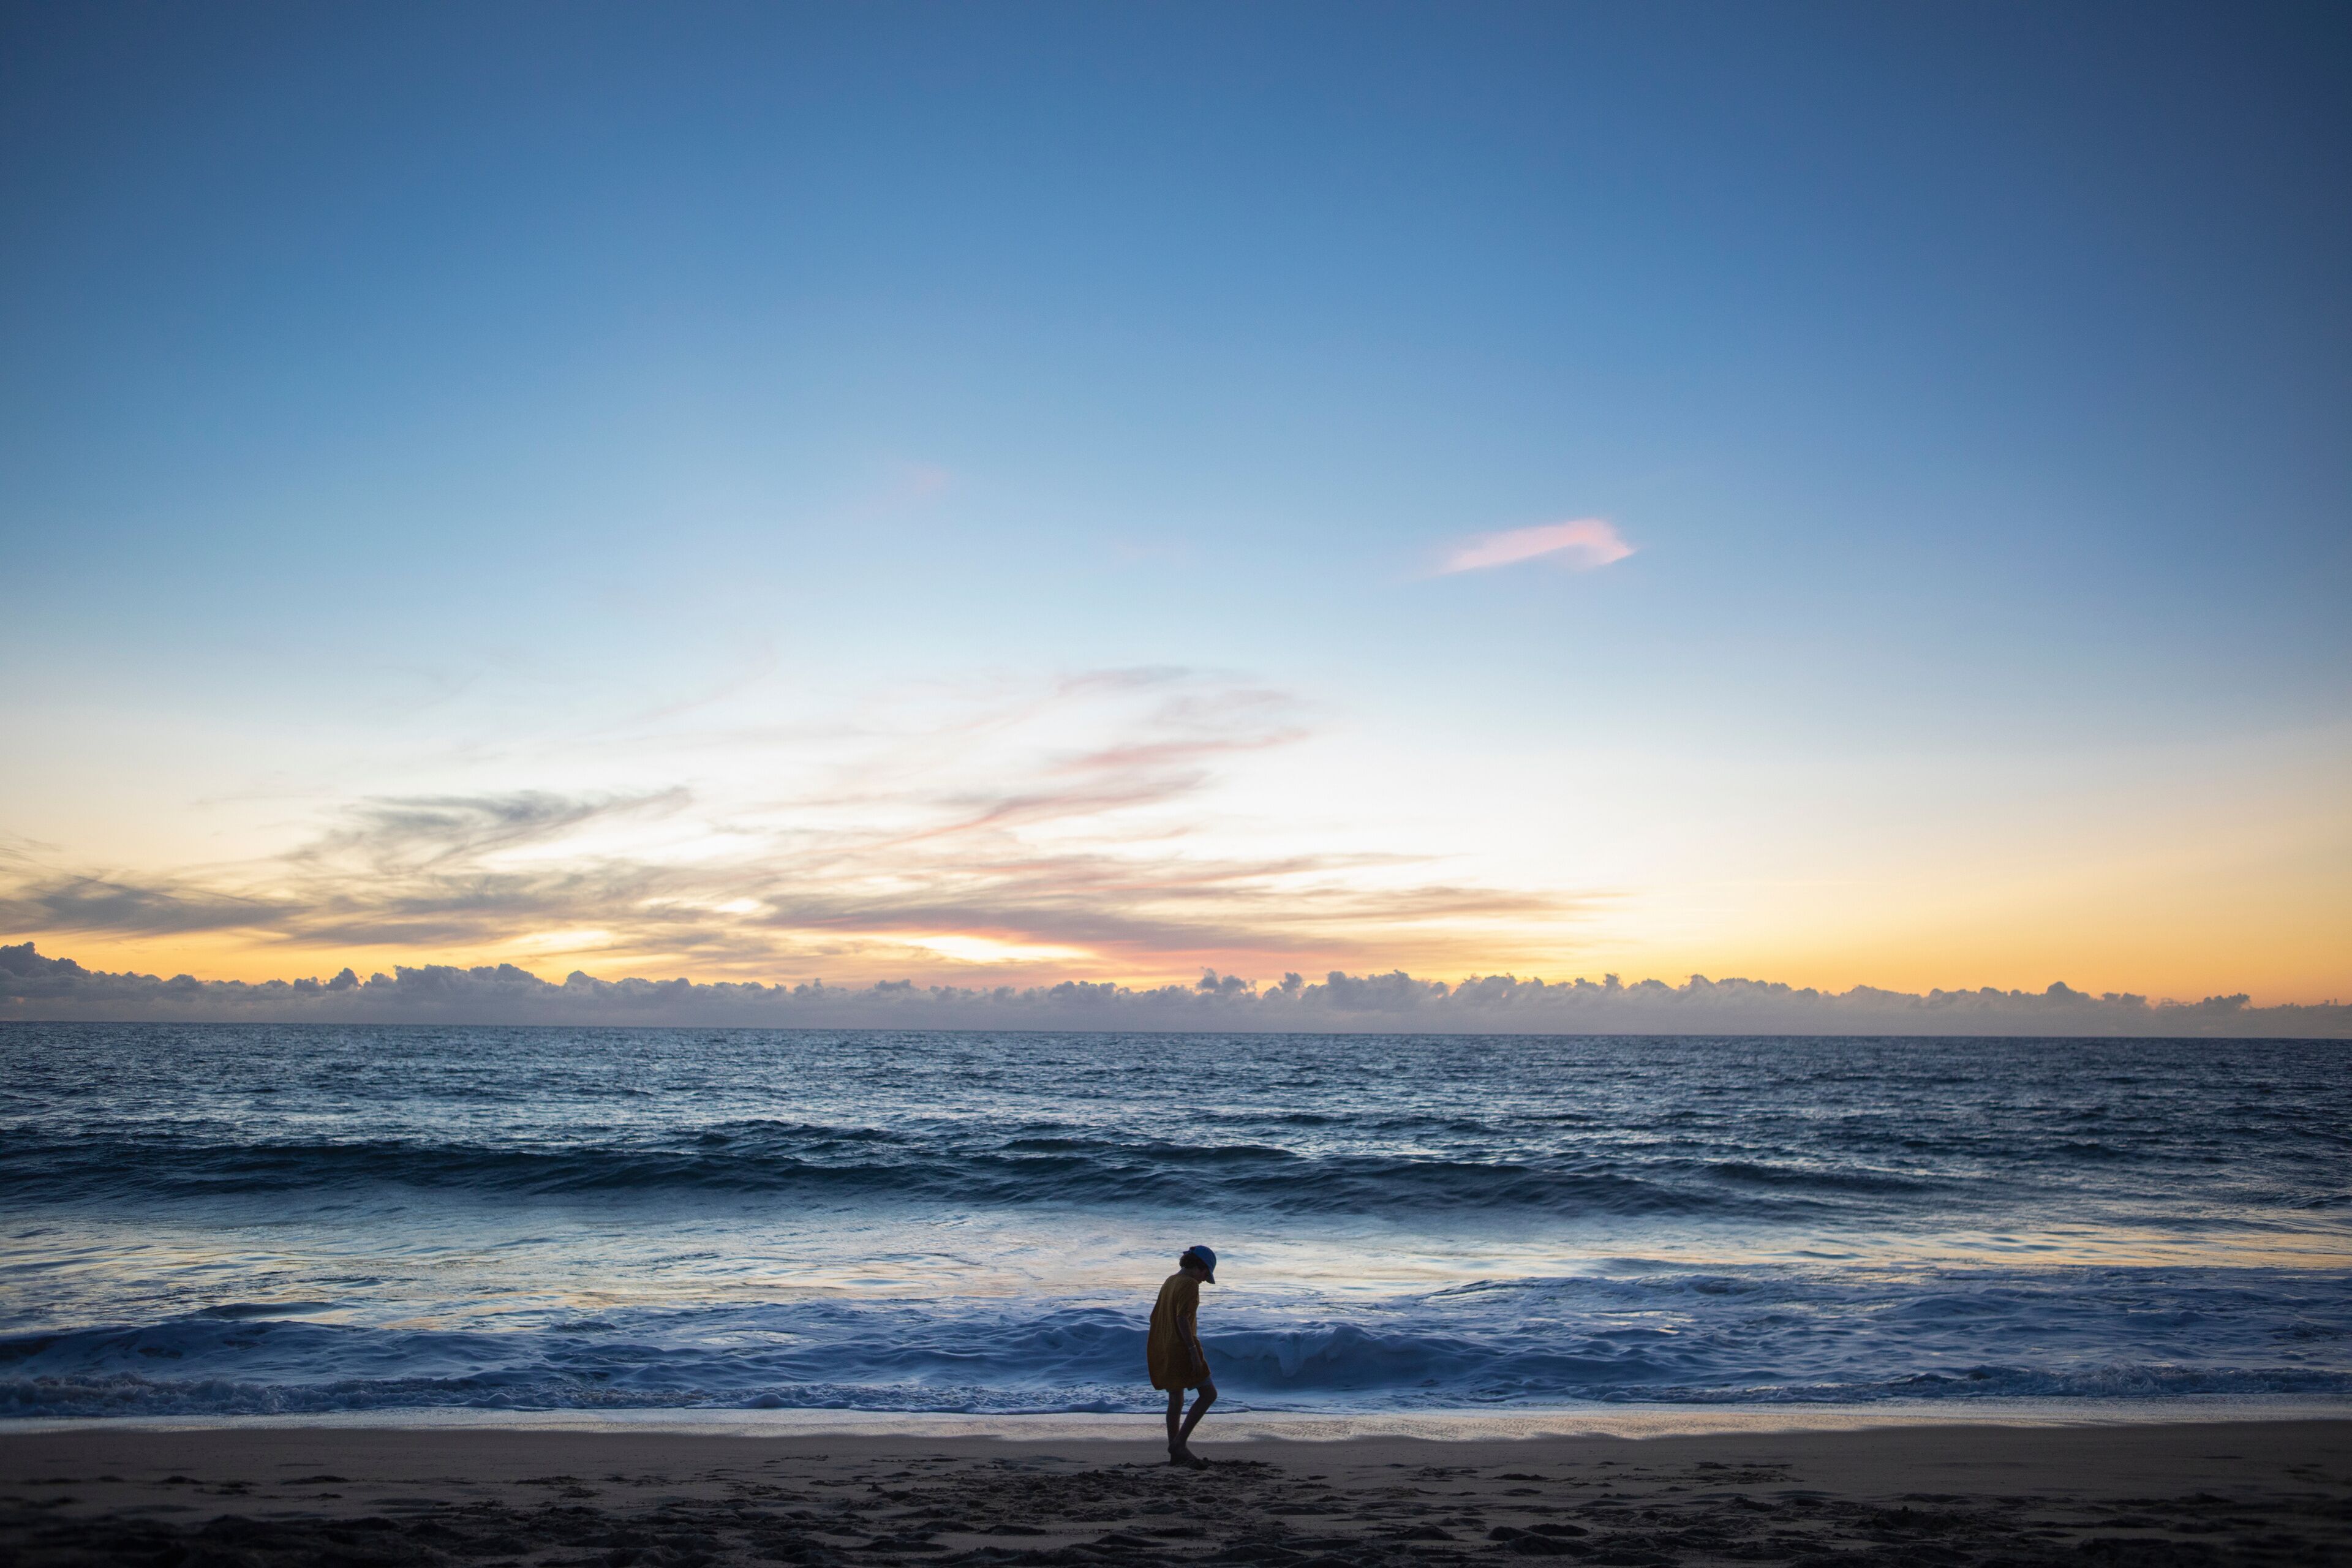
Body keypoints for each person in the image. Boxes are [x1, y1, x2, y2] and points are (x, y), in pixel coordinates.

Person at [1147, 1245, 1218, 1466]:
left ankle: (1175, 1452)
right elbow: (1182, 1320)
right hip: (1182, 1348)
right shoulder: (1189, 1285)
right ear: (1200, 1267)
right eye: (1205, 1275)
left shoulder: (1170, 1281)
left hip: (1164, 1344)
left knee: (1175, 1398)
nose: (1203, 1281)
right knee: (1208, 1395)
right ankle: (1179, 1444)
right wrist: (1193, 1352)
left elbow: (1154, 1317)